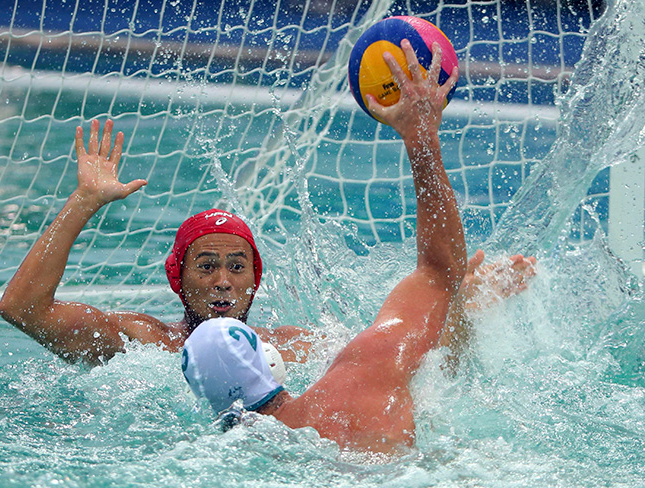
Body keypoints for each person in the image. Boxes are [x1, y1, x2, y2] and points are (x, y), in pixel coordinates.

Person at [0, 40, 535, 371]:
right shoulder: (142, 345)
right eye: (206, 266)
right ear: (177, 277)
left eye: (237, 267)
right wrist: (84, 201)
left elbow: (403, 354)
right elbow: (21, 310)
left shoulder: (296, 350)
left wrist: (463, 303)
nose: (224, 281)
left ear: (256, 279)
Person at [181, 40, 535, 454]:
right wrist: (421, 139)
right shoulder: (359, 377)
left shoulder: (239, 452)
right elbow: (439, 272)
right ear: (270, 361)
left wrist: (460, 306)